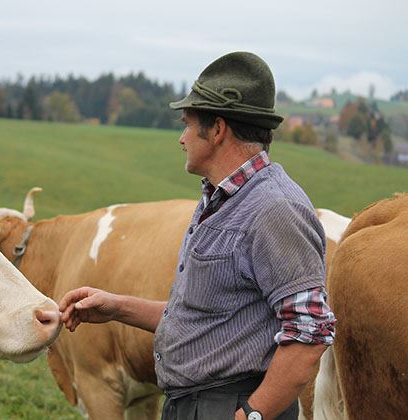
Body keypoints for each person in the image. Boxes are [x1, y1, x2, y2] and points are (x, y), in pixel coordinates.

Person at [59, 51, 335, 420]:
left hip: (230, 404)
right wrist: (115, 307)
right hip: (195, 404)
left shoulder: (274, 208)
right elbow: (202, 320)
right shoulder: (221, 198)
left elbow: (310, 332)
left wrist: (252, 416)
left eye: (188, 124)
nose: (181, 138)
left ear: (218, 130)